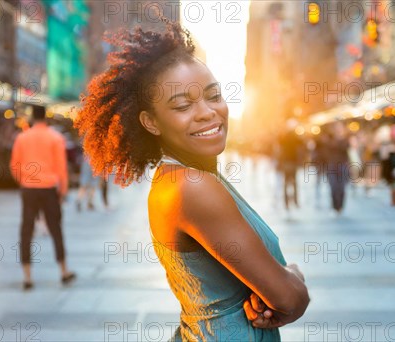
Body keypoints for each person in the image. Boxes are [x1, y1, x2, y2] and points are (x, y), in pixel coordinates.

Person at [75, 22, 309, 340]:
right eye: (183, 106)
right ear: (151, 122)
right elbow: (290, 298)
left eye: (214, 96)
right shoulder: (192, 187)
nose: (206, 113)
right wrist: (292, 276)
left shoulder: (185, 175)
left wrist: (280, 285)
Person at [10, 105, 76, 290]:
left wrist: (23, 181)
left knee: (26, 230)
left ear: (32, 117)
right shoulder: (55, 137)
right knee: (56, 229)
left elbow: (14, 165)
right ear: (46, 117)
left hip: (29, 188)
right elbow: (62, 168)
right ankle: (64, 271)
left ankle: (27, 276)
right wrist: (62, 191)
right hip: (49, 188)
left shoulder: (22, 138)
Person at [324, 121, 349, 214]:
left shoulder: (346, 139)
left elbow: (346, 148)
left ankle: (340, 206)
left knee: (341, 187)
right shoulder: (330, 139)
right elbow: (326, 151)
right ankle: (335, 206)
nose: (338, 129)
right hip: (332, 165)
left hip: (343, 165)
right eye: (337, 128)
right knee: (333, 186)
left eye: (340, 127)